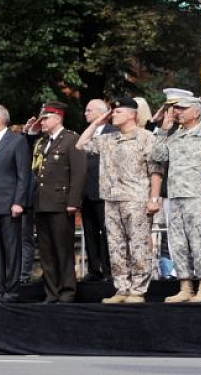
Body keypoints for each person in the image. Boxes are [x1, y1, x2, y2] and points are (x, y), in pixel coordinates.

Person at [76, 97, 163, 304]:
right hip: (112, 199)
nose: (113, 114)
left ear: (132, 114)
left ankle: (138, 290)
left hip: (136, 199)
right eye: (112, 112)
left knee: (139, 246)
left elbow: (156, 171)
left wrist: (154, 199)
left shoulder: (146, 138)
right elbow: (81, 144)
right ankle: (122, 288)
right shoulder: (108, 139)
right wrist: (97, 122)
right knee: (116, 247)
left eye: (118, 112)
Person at [153, 97, 201, 303]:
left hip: (199, 196)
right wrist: (164, 129)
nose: (177, 112)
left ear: (196, 112)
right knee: (178, 244)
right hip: (176, 196)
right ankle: (185, 286)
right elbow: (157, 155)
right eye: (176, 108)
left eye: (182, 108)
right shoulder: (174, 136)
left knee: (200, 242)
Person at [23, 102, 86, 304]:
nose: (42, 122)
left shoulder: (71, 140)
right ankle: (51, 292)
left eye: (45, 118)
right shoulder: (41, 142)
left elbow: (78, 173)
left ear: (57, 118)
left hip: (60, 203)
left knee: (63, 250)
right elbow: (32, 164)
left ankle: (67, 291)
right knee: (46, 252)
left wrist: (73, 201)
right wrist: (30, 135)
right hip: (42, 203)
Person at [0, 104, 31, 303]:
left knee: (11, 248)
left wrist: (18, 202)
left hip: (10, 204)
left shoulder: (17, 141)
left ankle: (11, 290)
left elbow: (23, 175)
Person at [80, 99, 115, 282]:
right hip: (86, 192)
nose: (85, 113)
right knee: (90, 231)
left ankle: (109, 269)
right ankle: (95, 268)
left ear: (101, 113)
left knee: (107, 231)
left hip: (105, 191)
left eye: (88, 110)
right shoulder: (88, 133)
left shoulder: (113, 132)